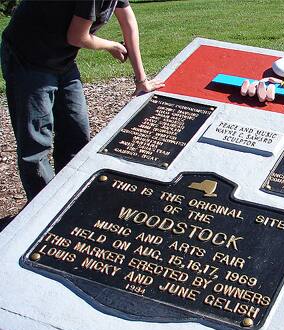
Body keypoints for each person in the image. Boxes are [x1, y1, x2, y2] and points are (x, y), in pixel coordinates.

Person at [0, 0, 164, 201]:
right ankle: (44, 210)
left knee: (76, 133)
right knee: (35, 145)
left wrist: (141, 80)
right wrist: (110, 45)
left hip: (63, 60)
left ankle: (71, 200)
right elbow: (77, 36)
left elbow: (128, 21)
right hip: (28, 59)